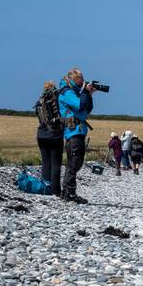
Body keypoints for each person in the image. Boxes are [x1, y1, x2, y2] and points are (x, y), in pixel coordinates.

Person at [57, 67, 96, 203]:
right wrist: (85, 92)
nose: (83, 81)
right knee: (74, 163)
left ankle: (66, 192)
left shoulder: (73, 92)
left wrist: (89, 94)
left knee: (75, 163)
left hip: (77, 131)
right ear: (74, 79)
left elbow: (86, 109)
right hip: (73, 132)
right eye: (81, 79)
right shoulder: (67, 92)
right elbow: (79, 105)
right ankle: (69, 193)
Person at [35, 80, 64, 196]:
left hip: (41, 134)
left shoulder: (39, 101)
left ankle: (45, 189)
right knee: (56, 164)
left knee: (45, 163)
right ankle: (56, 191)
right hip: (55, 134)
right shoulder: (56, 100)